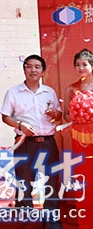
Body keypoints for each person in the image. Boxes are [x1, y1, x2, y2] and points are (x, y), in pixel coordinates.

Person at [1, 55, 61, 227]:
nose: (33, 70)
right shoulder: (13, 92)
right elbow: (5, 116)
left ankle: (52, 222)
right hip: (25, 143)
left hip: (48, 142)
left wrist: (56, 114)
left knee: (51, 182)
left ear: (43, 71)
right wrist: (20, 125)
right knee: (24, 184)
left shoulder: (49, 92)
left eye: (37, 67)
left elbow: (58, 115)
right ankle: (26, 222)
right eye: (29, 66)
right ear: (24, 69)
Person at [64, 48, 93, 229]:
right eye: (77, 65)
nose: (81, 68)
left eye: (84, 64)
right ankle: (86, 223)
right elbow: (66, 115)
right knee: (84, 181)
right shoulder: (72, 89)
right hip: (80, 142)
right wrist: (77, 119)